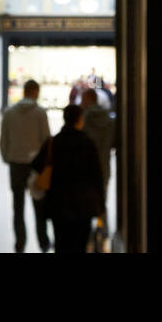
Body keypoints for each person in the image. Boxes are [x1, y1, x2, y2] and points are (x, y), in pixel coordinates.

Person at [32, 104, 104, 254]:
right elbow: (97, 177)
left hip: (58, 203)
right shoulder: (88, 143)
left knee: (61, 243)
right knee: (80, 245)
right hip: (83, 204)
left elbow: (37, 165)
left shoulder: (53, 142)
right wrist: (101, 206)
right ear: (79, 120)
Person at [0, 78, 52, 252]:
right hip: (36, 165)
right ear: (36, 92)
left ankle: (20, 243)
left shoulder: (9, 112)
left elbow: (4, 139)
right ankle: (43, 241)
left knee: (18, 206)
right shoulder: (40, 113)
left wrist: (7, 157)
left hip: (16, 163)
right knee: (39, 205)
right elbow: (46, 140)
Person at [80, 88, 115, 220]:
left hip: (86, 168)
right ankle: (103, 229)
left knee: (85, 202)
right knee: (102, 200)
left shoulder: (83, 119)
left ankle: (88, 234)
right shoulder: (109, 119)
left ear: (88, 100)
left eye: (83, 99)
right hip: (104, 165)